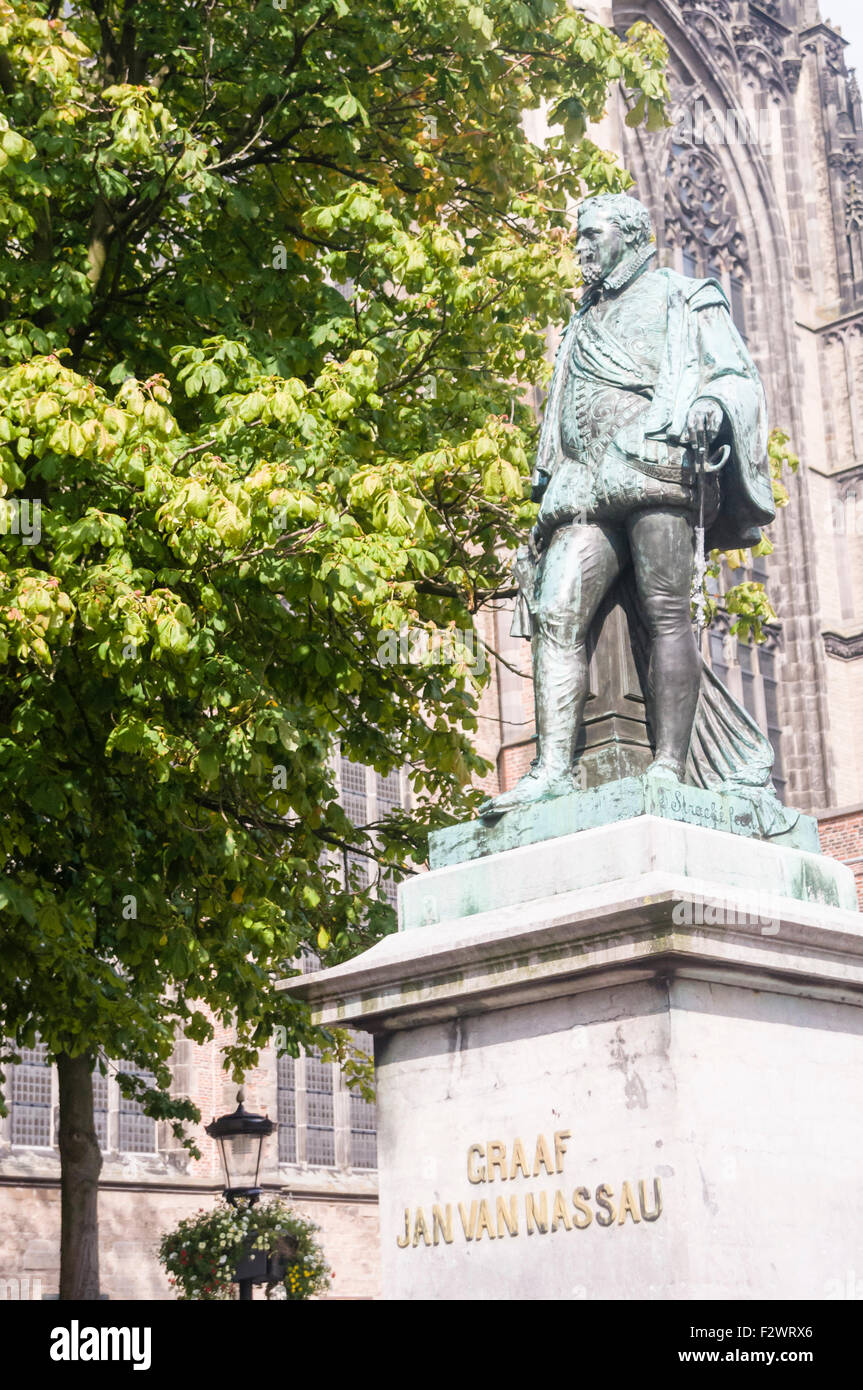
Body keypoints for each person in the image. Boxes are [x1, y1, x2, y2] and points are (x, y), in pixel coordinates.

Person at [481, 192, 775, 817]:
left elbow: (736, 378)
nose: (580, 246)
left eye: (591, 234)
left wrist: (712, 407)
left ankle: (668, 765)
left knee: (666, 611)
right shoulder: (580, 319)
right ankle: (554, 768)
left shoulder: (683, 293)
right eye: (578, 236)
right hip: (586, 486)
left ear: (630, 234)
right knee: (557, 610)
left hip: (654, 468)